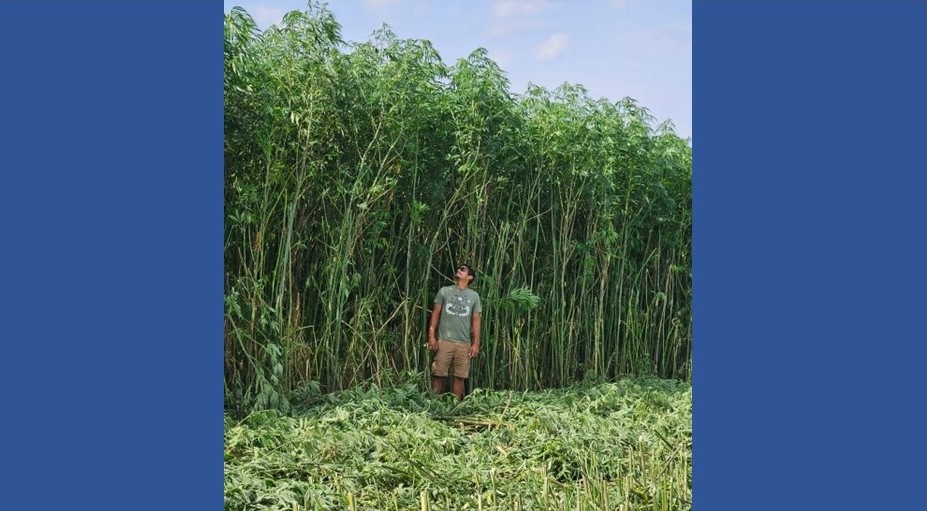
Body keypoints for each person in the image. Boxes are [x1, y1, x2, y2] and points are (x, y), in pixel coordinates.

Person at [427, 263, 481, 400]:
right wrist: (431, 335)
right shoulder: (444, 291)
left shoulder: (474, 296)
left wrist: (476, 343)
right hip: (444, 339)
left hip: (464, 342)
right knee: (438, 374)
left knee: (460, 377)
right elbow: (436, 313)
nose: (459, 270)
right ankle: (433, 403)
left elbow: (476, 320)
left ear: (470, 277)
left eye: (463, 269)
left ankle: (455, 406)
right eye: (458, 268)